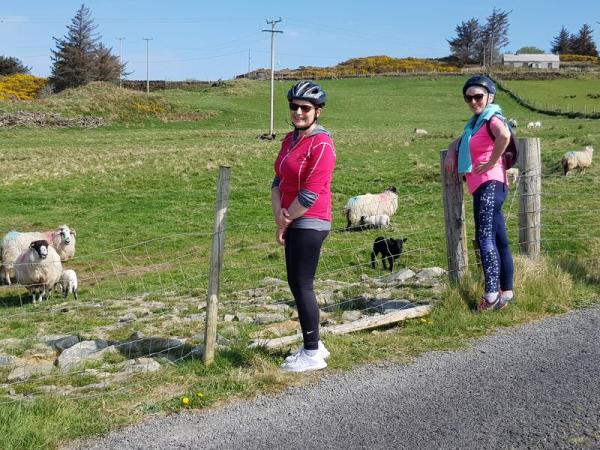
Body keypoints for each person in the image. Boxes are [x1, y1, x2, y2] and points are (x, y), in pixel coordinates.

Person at [271, 81, 336, 372]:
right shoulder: (289, 140)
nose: (298, 112)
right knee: (297, 284)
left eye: (305, 108)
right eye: (294, 107)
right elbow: (278, 180)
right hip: (292, 219)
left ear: (318, 112)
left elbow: (310, 194)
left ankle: (311, 354)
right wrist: (279, 217)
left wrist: (286, 218)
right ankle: (316, 345)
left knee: (302, 285)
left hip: (310, 221)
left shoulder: (322, 144)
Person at [444, 75, 514, 311]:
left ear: (489, 97)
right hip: (490, 185)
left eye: (478, 96)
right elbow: (461, 140)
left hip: (488, 184)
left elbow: (504, 135)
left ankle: (491, 296)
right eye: (469, 97)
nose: (473, 101)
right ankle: (507, 292)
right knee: (499, 239)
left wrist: (492, 161)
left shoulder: (492, 118)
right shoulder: (476, 123)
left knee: (484, 238)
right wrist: (453, 151)